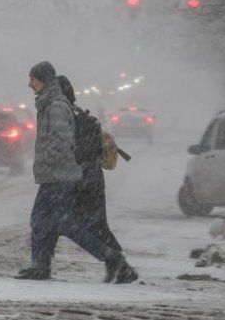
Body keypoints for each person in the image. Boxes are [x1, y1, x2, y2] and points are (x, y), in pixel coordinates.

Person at [16, 61, 137, 283]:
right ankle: (40, 266)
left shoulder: (57, 106)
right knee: (40, 221)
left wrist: (46, 159)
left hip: (60, 175)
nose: (29, 84)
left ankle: (111, 258)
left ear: (43, 80)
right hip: (55, 175)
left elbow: (61, 141)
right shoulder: (49, 104)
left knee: (67, 224)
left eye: (32, 79)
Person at [57, 75, 123, 252]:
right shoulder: (79, 116)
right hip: (91, 179)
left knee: (74, 224)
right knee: (96, 226)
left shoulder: (68, 118)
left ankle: (118, 263)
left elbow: (70, 152)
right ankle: (118, 263)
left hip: (81, 180)